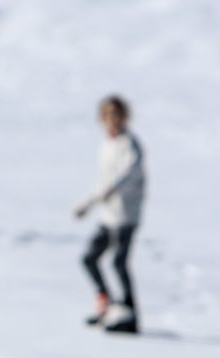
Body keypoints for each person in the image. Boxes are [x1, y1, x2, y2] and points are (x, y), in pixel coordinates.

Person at [74, 94, 146, 334]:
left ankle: (129, 313)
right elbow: (103, 181)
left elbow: (131, 172)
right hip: (108, 215)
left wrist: (114, 188)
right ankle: (107, 304)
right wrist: (87, 203)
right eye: (108, 114)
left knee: (118, 262)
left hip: (126, 216)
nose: (112, 119)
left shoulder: (129, 144)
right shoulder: (107, 145)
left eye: (117, 113)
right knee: (89, 258)